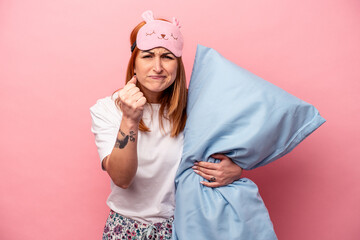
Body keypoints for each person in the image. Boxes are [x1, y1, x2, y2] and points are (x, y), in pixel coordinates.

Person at [90, 10, 243, 240]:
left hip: (183, 227)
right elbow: (122, 179)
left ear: (177, 66)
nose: (158, 67)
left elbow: (234, 145)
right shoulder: (106, 109)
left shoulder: (197, 108)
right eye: (148, 56)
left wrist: (236, 170)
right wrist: (130, 119)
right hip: (125, 230)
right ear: (134, 64)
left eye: (167, 57)